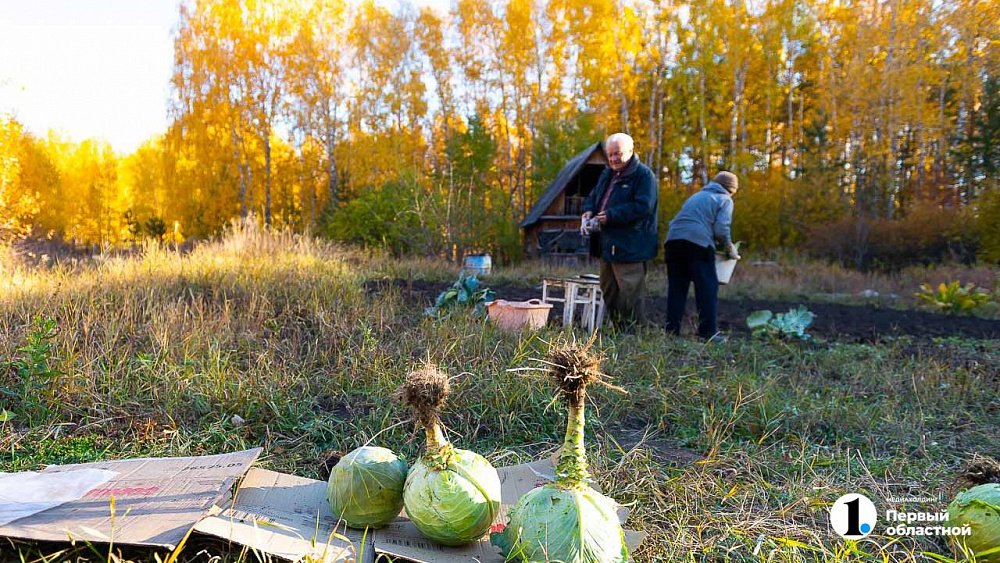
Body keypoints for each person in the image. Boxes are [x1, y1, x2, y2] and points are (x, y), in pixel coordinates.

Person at [580, 133, 658, 327]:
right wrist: (588, 210)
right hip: (607, 242)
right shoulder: (607, 173)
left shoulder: (643, 175)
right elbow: (592, 196)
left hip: (630, 243)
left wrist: (612, 215)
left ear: (631, 152)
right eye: (610, 154)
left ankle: (634, 331)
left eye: (618, 154)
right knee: (608, 288)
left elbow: (643, 206)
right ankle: (618, 328)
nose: (613, 158)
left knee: (630, 289)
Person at [663, 171, 741, 340]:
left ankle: (671, 332)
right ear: (731, 189)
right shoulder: (724, 199)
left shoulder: (697, 196)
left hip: (673, 241)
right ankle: (708, 333)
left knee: (677, 288)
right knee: (707, 288)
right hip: (697, 244)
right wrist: (730, 248)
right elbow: (721, 229)